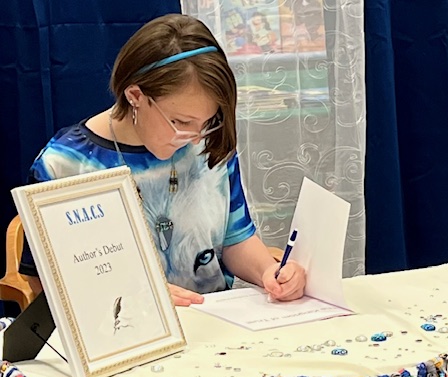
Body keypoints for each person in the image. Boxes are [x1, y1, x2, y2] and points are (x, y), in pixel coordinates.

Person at [19, 14, 306, 307]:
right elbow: (47, 281)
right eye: (181, 121)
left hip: (214, 326)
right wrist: (135, 296)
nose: (196, 138)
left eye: (208, 121)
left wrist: (270, 272)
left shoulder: (207, 145)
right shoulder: (65, 164)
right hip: (125, 333)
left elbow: (235, 240)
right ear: (135, 96)